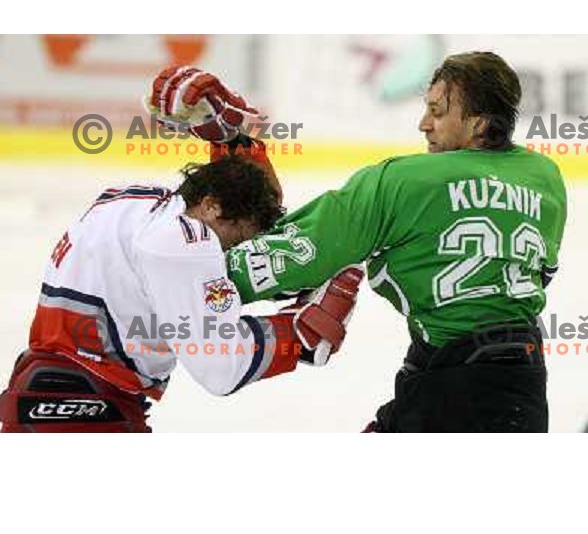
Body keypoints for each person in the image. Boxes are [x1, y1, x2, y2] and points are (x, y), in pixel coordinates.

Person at [0, 70, 364, 433]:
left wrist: (233, 141)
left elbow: (242, 200)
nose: (228, 256)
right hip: (87, 413)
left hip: (48, 395)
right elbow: (222, 368)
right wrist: (297, 336)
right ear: (214, 207)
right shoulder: (185, 242)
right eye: (233, 242)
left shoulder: (135, 200)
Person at [221, 51, 567, 432]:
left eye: (437, 112)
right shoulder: (545, 175)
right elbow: (540, 273)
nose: (423, 124)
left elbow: (306, 252)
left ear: (479, 124)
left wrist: (196, 280)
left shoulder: (403, 181)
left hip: (450, 391)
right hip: (524, 388)